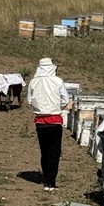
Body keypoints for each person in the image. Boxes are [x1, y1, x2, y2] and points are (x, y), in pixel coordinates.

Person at [26, 57, 71, 191]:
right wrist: (56, 106)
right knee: (54, 151)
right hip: (55, 120)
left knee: (44, 151)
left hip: (40, 121)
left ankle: (46, 178)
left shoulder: (33, 82)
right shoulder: (57, 81)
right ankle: (51, 181)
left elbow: (29, 100)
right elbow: (65, 99)